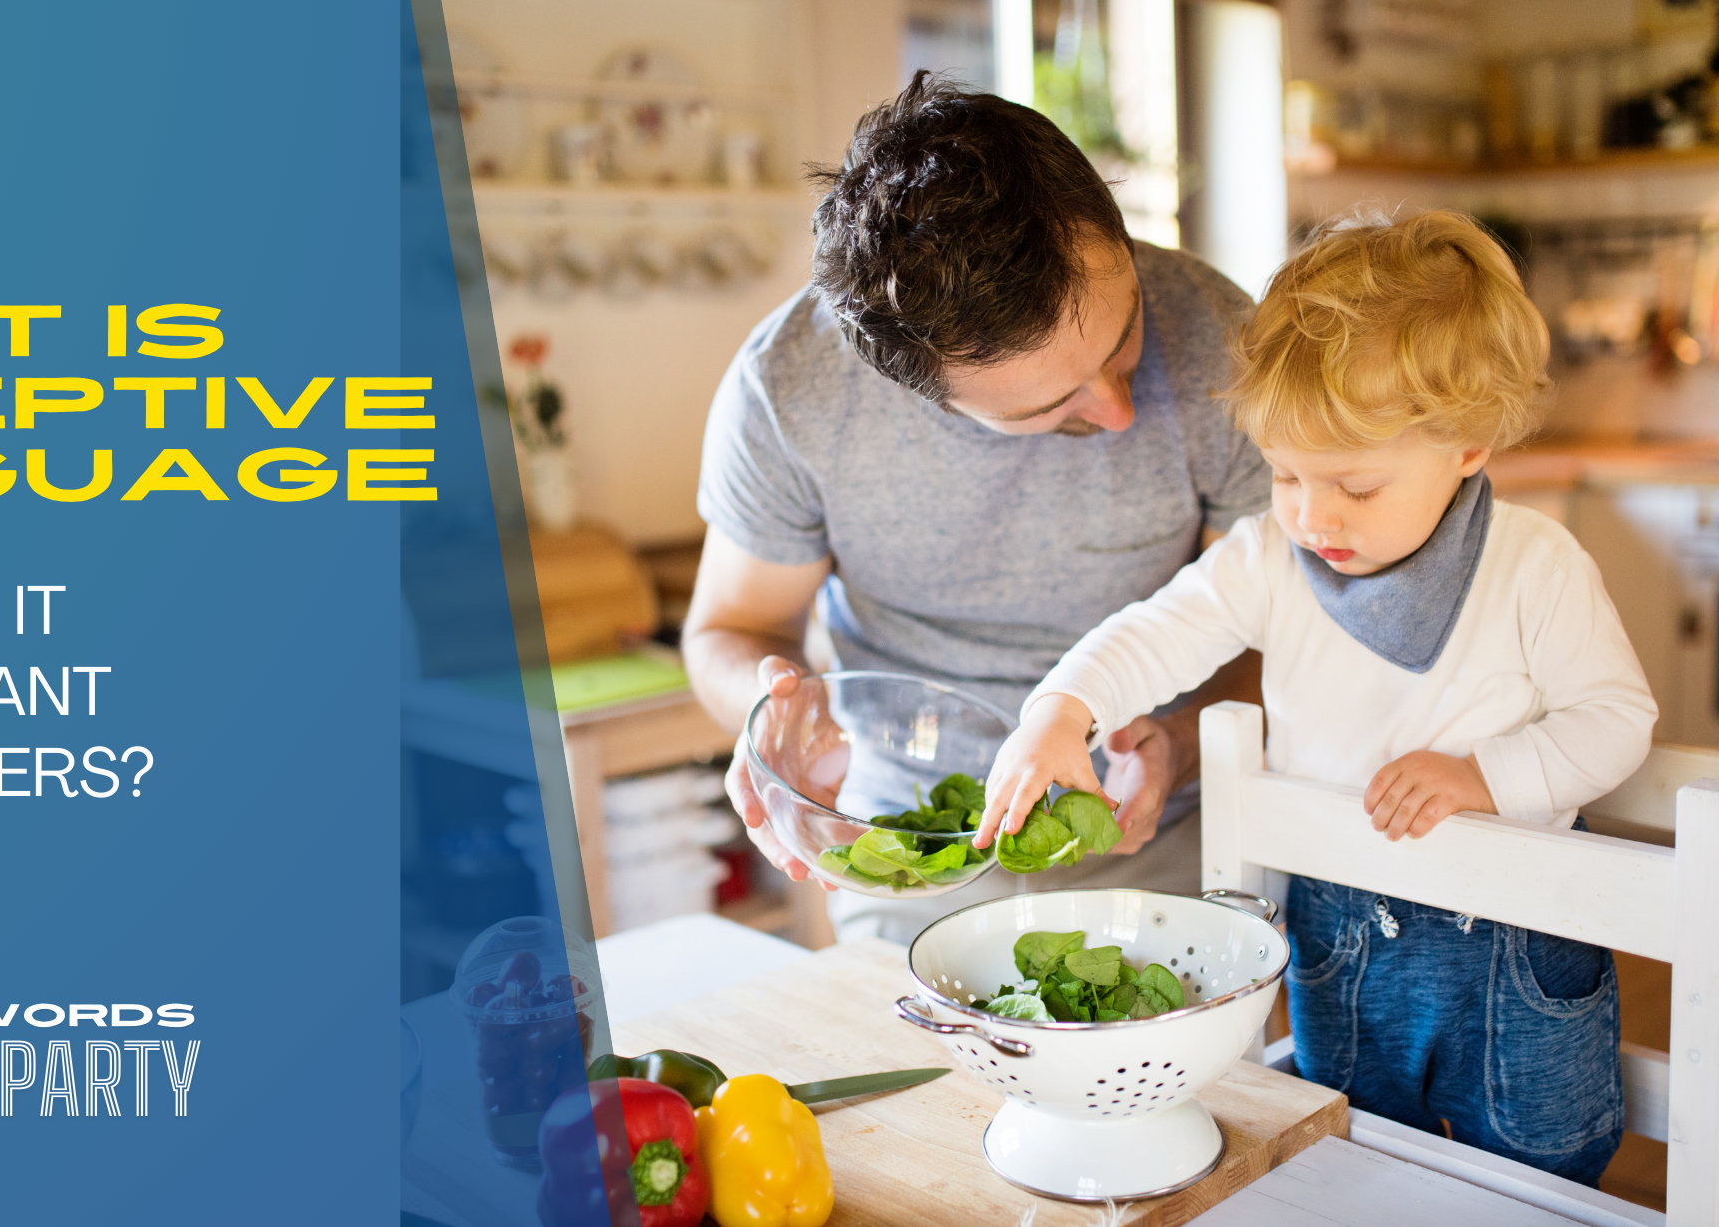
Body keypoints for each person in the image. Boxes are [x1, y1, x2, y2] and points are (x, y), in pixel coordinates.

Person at [982, 209, 1656, 1183]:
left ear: (1467, 444)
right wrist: (1063, 709)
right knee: (1352, 1151)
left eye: (1354, 486)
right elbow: (1156, 631)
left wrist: (1484, 776)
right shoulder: (1269, 558)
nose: (1310, 514)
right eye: (1285, 474)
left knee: (1538, 1165)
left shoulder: (1534, 566)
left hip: (1513, 938)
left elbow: (1617, 722)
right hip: (1339, 929)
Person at [684, 74, 1269, 943]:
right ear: (916, 389)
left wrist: (1181, 743)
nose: (1119, 412)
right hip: (911, 848)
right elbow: (732, 628)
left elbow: (1275, 623)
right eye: (1051, 406)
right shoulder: (790, 388)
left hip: (1172, 837)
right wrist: (772, 713)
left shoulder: (1223, 338)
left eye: (1124, 340)